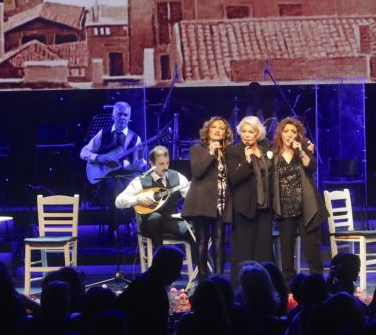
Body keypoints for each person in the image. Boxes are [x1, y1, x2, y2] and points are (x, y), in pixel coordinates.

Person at [271, 117, 326, 281]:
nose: (289, 134)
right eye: (286, 131)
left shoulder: (303, 149)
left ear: (298, 135)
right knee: (287, 251)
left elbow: (312, 167)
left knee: (312, 249)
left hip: (306, 206)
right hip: (284, 207)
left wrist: (301, 150)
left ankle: (317, 282)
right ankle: (289, 285)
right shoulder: (274, 153)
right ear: (280, 133)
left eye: (293, 132)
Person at [80, 101, 146, 234]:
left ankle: (134, 224)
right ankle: (114, 227)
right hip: (107, 175)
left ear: (129, 117)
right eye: (119, 114)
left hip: (127, 173)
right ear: (112, 115)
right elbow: (83, 152)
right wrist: (98, 158)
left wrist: (139, 163)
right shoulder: (103, 133)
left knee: (135, 186)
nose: (122, 117)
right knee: (115, 188)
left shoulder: (135, 138)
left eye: (125, 115)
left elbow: (138, 163)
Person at [182, 117, 233, 279]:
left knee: (219, 240)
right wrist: (211, 152)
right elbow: (197, 172)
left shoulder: (227, 152)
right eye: (214, 127)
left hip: (221, 201)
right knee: (202, 240)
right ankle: (203, 279)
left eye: (221, 128)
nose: (217, 130)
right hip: (201, 202)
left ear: (225, 133)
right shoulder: (197, 149)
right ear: (208, 130)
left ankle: (219, 277)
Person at [226, 116, 274, 283]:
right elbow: (233, 179)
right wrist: (246, 161)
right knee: (244, 251)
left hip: (265, 207)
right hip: (244, 208)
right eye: (244, 131)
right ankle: (240, 286)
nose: (246, 135)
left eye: (251, 131)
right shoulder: (234, 151)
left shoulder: (267, 147)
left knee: (264, 250)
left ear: (258, 133)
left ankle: (265, 285)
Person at [115, 145, 191, 249]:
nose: (165, 167)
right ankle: (160, 256)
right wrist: (137, 199)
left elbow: (190, 196)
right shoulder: (141, 181)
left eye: (167, 163)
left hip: (171, 222)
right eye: (161, 164)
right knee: (155, 217)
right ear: (152, 164)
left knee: (193, 229)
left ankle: (200, 259)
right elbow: (118, 201)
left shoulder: (177, 176)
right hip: (149, 223)